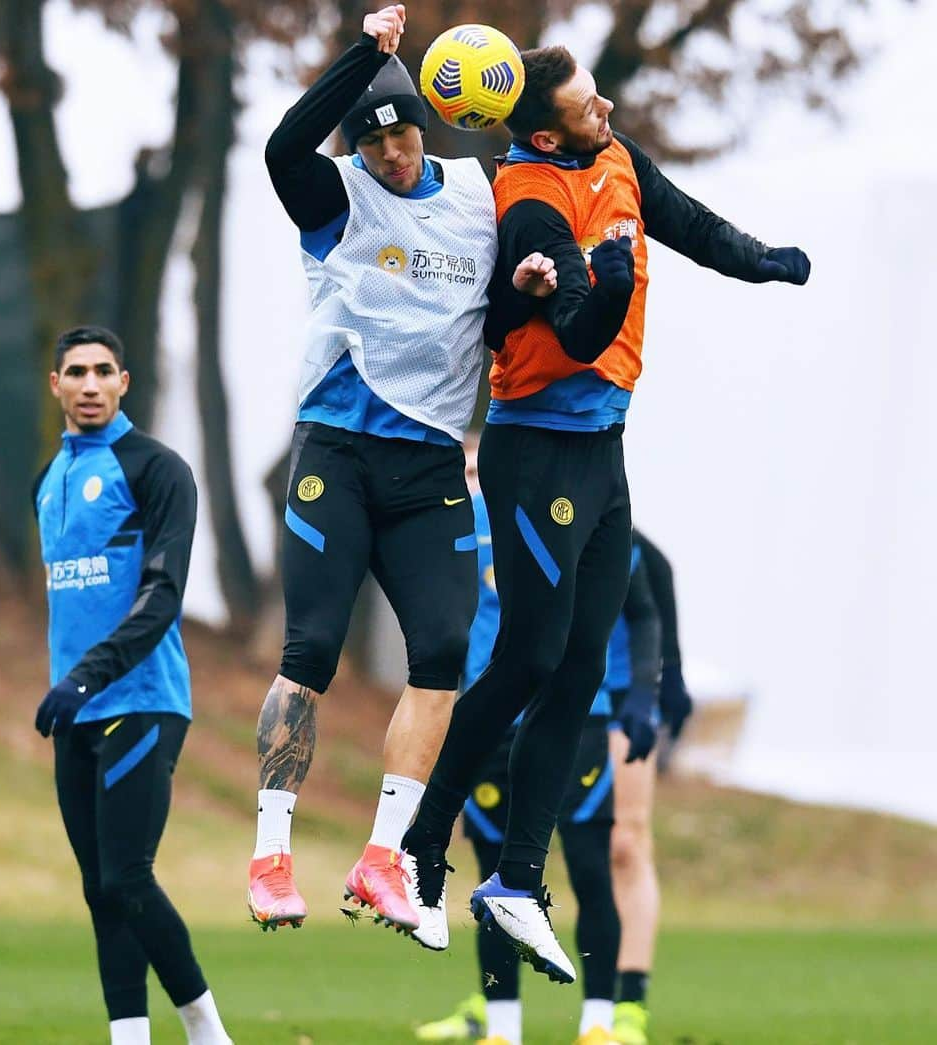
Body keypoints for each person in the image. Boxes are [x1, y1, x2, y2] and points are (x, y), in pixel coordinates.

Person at [402, 43, 810, 982]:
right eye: (589, 103)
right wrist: (614, 278)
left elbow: (689, 222)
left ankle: (513, 882)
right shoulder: (532, 203)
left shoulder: (615, 157)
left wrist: (763, 264)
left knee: (583, 663)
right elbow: (582, 334)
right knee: (529, 657)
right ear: (544, 129)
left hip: (601, 449)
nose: (607, 105)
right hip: (534, 446)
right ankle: (423, 846)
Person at [246, 5, 549, 935]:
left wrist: (526, 292)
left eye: (402, 133)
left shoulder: (474, 192)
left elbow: (484, 322)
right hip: (336, 452)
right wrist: (362, 57)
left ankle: (384, 856)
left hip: (429, 467)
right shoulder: (333, 194)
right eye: (375, 144)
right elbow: (279, 147)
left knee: (448, 651)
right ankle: (270, 856)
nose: (393, 156)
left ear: (426, 122)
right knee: (313, 650)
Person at [415, 436, 660, 1045]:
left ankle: (600, 1021)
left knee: (590, 870)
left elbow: (639, 602)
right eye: (469, 467)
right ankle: (503, 1028)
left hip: (576, 717)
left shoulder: (580, 510)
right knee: (492, 876)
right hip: (490, 720)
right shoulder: (462, 525)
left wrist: (642, 694)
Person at [33, 326, 233, 1045]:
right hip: (76, 710)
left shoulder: (157, 468)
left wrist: (85, 678)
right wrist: (70, 685)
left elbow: (160, 595)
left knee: (126, 875)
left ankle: (208, 1032)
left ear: (125, 381)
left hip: (142, 699)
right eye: (75, 372)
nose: (89, 384)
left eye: (103, 371)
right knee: (100, 891)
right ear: (54, 384)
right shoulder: (47, 481)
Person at [607, 531, 692, 1045]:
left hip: (618, 703)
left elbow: (653, 620)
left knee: (626, 843)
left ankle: (629, 1004)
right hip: (540, 702)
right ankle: (495, 1000)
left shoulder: (635, 549)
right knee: (503, 848)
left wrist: (668, 683)